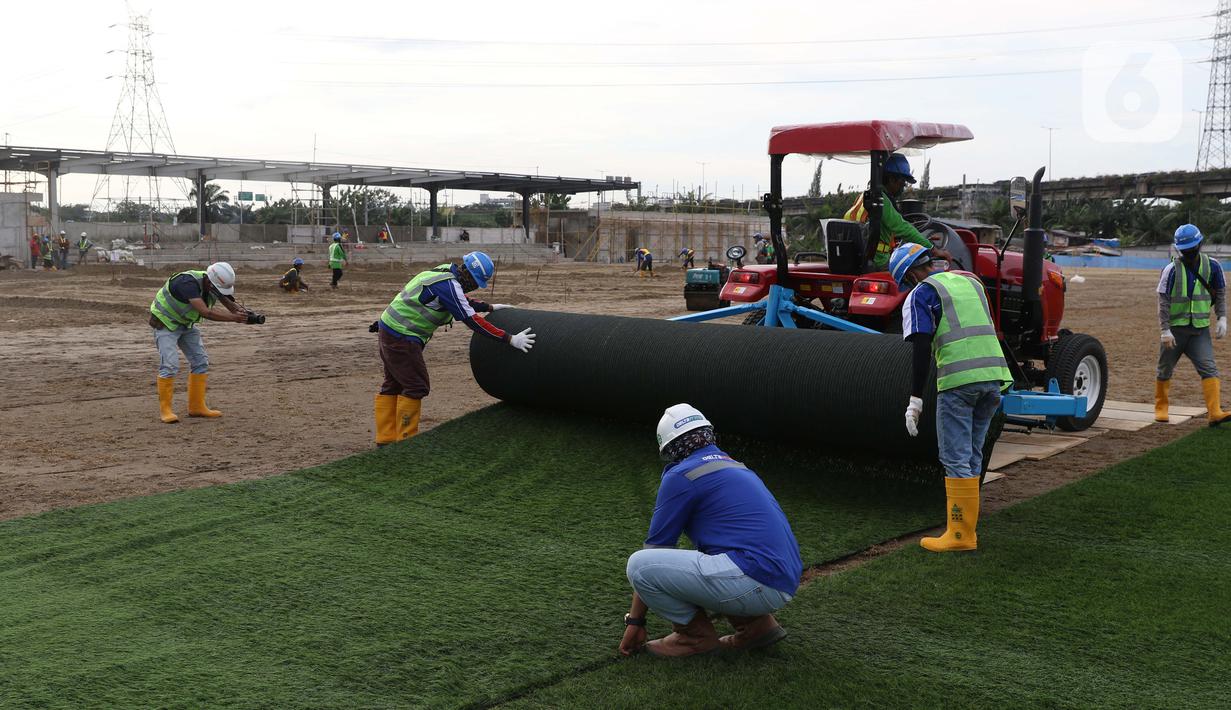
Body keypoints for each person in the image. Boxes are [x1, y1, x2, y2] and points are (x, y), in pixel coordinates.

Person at [620, 404, 802, 658]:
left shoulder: (682, 474)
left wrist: (635, 622)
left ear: (670, 449)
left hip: (755, 580)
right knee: (714, 555)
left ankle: (693, 636)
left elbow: (656, 550)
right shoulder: (735, 465)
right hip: (781, 579)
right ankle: (755, 626)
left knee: (639, 565)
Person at [891, 242, 1012, 553]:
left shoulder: (922, 293)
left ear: (908, 276)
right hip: (993, 378)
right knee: (972, 455)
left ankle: (959, 536)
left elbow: (920, 346)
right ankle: (967, 530)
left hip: (959, 382)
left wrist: (915, 400)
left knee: (955, 458)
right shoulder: (970, 280)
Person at [371, 251, 536, 445]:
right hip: (402, 337)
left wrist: (489, 307)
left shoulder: (443, 272)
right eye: (476, 283)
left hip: (389, 329)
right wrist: (509, 339)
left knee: (394, 384)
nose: (474, 287)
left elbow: (460, 301)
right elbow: (472, 321)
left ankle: (386, 439)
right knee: (416, 386)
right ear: (469, 277)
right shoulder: (449, 285)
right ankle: (405, 442)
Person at [149, 262, 252, 423]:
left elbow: (224, 299)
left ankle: (196, 407)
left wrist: (237, 310)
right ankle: (166, 410)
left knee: (200, 362)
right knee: (170, 365)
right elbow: (206, 312)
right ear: (210, 282)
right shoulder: (186, 283)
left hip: (186, 324)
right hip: (165, 323)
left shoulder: (211, 282)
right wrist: (234, 318)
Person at [1155, 224, 1229, 426]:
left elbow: (1220, 292)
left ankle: (1214, 412)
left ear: (1200, 245)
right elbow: (1163, 301)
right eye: (1185, 250)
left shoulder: (1213, 266)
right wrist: (1165, 330)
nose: (1189, 253)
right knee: (1164, 369)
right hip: (1175, 331)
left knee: (1209, 369)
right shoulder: (1171, 269)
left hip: (1199, 330)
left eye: (1192, 248)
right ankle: (1161, 408)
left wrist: (1222, 317)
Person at [845, 153, 952, 271]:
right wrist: (933, 249)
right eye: (902, 183)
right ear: (891, 179)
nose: (903, 188)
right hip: (878, 260)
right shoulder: (881, 200)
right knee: (920, 271)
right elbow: (902, 227)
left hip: (856, 256)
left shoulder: (864, 196)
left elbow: (881, 228)